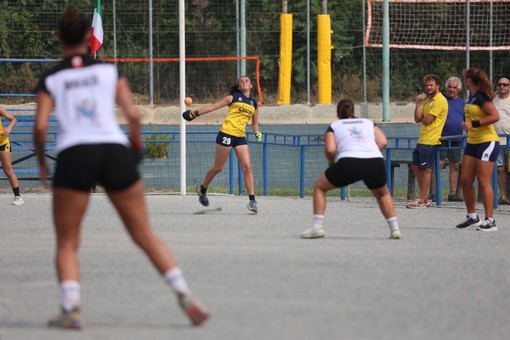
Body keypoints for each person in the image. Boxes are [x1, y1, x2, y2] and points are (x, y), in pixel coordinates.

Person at [34, 9, 209, 329]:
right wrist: (136, 150)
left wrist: (44, 163)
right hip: (113, 151)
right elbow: (132, 115)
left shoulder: (51, 78)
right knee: (143, 233)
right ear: (89, 37)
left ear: (58, 37)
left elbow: (42, 126)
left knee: (68, 241)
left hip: (74, 155)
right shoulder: (108, 72)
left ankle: (71, 309)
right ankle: (185, 295)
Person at [300, 99, 401, 240]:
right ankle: (395, 229)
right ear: (354, 111)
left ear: (337, 112)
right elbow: (383, 141)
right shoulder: (368, 122)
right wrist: (369, 152)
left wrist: (331, 162)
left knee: (320, 187)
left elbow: (330, 149)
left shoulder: (334, 126)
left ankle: (317, 227)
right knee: (383, 193)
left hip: (349, 161)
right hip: (374, 161)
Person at [182, 76, 262, 213]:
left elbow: (254, 123)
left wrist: (257, 132)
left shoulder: (254, 103)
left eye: (246, 81)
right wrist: (194, 113)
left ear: (251, 86)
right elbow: (213, 107)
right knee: (218, 167)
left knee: (247, 167)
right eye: (241, 81)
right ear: (238, 86)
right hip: (226, 134)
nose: (243, 82)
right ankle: (202, 189)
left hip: (240, 137)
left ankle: (252, 201)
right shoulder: (232, 97)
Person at [456, 68, 499, 231]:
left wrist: (473, 124)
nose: (465, 81)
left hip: (487, 142)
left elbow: (494, 116)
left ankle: (490, 220)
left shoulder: (482, 97)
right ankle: (472, 217)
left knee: (483, 180)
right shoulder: (471, 97)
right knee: (465, 180)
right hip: (472, 142)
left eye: (466, 79)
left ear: (469, 80)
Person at [406, 74, 448, 208]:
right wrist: (418, 104)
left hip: (431, 140)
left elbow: (427, 120)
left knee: (426, 169)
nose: (429, 87)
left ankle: (421, 199)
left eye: (431, 85)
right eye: (427, 85)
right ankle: (424, 198)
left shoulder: (440, 100)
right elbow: (417, 119)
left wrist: (423, 119)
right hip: (422, 139)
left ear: (437, 86)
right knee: (415, 166)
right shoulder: (427, 101)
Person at [430, 76, 465, 202]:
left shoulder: (462, 103)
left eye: (454, 87)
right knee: (438, 164)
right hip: (441, 137)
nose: (451, 89)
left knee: (455, 165)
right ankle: (435, 193)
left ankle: (452, 193)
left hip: (456, 138)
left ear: (458, 89)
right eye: (449, 87)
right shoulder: (440, 99)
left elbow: (467, 120)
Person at [0, 106, 23, 205]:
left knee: (8, 170)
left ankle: (18, 197)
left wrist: (9, 128)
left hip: (2, 143)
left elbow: (13, 119)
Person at [493, 77, 510, 205]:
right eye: (500, 85)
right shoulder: (493, 100)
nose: (502, 87)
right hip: (497, 139)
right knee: (500, 169)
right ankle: (504, 196)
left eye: (505, 84)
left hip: (509, 139)